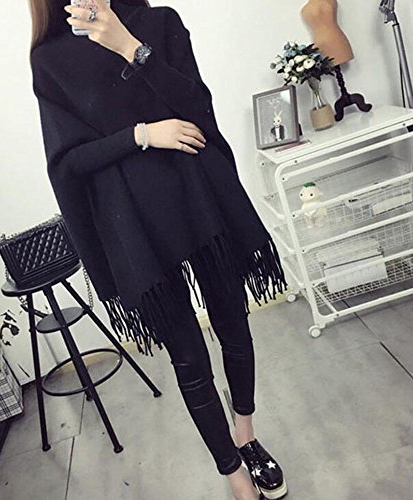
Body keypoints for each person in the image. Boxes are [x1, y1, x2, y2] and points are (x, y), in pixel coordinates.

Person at [29, 1, 289, 498]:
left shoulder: (159, 22)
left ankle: (247, 436)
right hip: (136, 225)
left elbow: (197, 105)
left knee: (233, 324)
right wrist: (142, 135)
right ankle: (233, 471)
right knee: (188, 357)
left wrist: (129, 46)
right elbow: (67, 161)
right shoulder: (50, 58)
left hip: (200, 197)